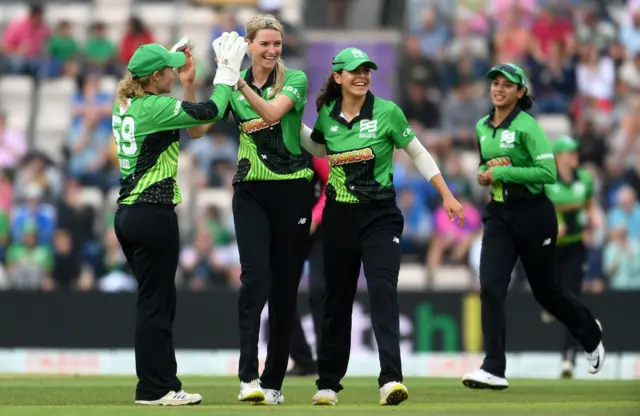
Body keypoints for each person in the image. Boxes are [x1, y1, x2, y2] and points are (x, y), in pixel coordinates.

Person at [298, 47, 465, 406]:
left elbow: (418, 152)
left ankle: (391, 380)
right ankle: (327, 384)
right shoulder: (327, 115)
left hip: (380, 217)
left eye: (367, 71)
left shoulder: (387, 112)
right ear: (338, 76)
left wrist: (447, 195)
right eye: (355, 71)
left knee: (383, 293)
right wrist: (288, 122)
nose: (363, 76)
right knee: (336, 302)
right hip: (339, 219)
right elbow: (317, 147)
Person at [112, 33, 248, 405]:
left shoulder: (125, 102)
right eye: (168, 74)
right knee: (156, 303)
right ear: (155, 78)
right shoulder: (154, 108)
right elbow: (208, 113)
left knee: (155, 301)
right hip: (152, 214)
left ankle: (162, 383)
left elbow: (190, 126)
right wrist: (225, 73)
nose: (172, 76)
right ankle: (155, 388)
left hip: (128, 215)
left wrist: (185, 79)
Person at [186, 15, 314, 405]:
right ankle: (248, 377)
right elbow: (198, 129)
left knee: (285, 287)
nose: (273, 51)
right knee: (255, 279)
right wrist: (193, 83)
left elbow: (272, 114)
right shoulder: (231, 79)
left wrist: (235, 79)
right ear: (249, 44)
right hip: (250, 192)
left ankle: (274, 381)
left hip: (293, 190)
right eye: (265, 44)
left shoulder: (295, 79)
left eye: (278, 44)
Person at [462, 63, 605, 390]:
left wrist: (502, 173)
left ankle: (590, 332)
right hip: (499, 214)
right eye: (494, 83)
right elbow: (487, 163)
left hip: (534, 215)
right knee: (491, 287)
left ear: (520, 92)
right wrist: (485, 172)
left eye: (507, 85)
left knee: (546, 292)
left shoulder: (529, 127)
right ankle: (494, 367)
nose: (498, 89)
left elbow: (548, 174)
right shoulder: (482, 126)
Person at [545, 136, 601, 378]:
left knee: (572, 297)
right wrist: (554, 223)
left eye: (575, 152)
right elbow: (542, 209)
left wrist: (593, 220)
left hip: (576, 247)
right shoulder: (547, 181)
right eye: (568, 152)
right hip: (550, 248)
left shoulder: (585, 180)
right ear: (558, 157)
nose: (574, 156)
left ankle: (569, 357)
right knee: (551, 296)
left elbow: (589, 204)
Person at [287, 155, 329, 376]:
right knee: (279, 291)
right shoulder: (270, 142)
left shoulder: (309, 143)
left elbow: (332, 181)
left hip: (319, 229)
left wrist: (314, 218)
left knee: (319, 291)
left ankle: (326, 360)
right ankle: (302, 358)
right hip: (289, 229)